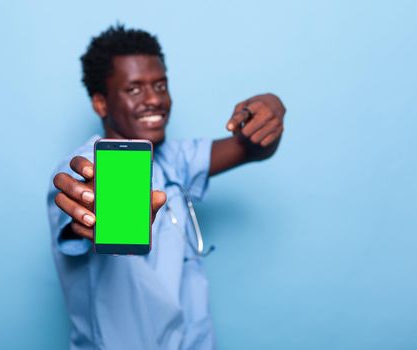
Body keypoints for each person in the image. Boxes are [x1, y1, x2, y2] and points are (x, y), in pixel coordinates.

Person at [47, 25, 286, 349]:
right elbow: (77, 212)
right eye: (134, 89)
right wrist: (90, 215)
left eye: (160, 85)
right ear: (101, 104)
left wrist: (272, 106)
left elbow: (254, 148)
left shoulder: (174, 159)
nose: (154, 100)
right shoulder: (85, 166)